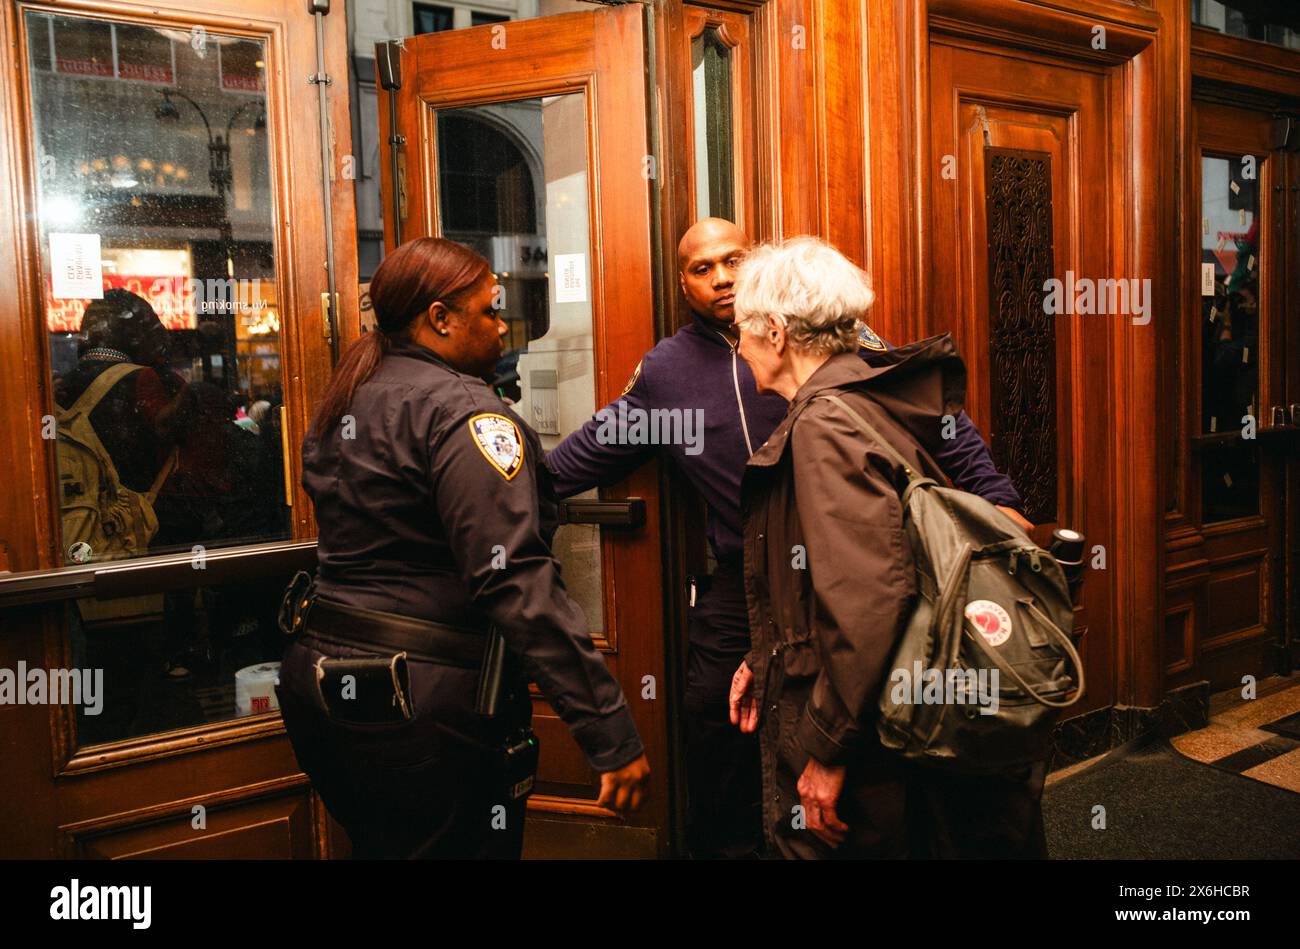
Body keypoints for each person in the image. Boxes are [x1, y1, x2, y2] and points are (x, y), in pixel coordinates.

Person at [546, 218, 1027, 858]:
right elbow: (595, 448)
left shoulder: (836, 352)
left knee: (848, 724)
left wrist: (995, 501)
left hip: (848, 580)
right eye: (701, 267)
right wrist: (511, 487)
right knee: (720, 729)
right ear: (683, 284)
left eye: (733, 260)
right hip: (745, 583)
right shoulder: (668, 371)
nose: (721, 277)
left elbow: (936, 422)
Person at [275, 237, 650, 859]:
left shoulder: (350, 394)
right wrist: (607, 729)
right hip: (420, 699)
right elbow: (512, 577)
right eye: (490, 311)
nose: (504, 328)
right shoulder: (465, 409)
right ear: (439, 318)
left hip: (322, 683)